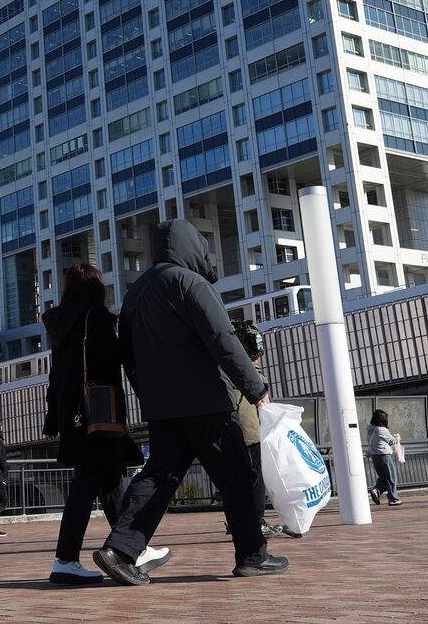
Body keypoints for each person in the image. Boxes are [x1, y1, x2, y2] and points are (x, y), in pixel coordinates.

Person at [92, 219, 289, 586]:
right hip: (205, 402)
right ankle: (252, 555)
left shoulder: (136, 293)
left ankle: (119, 551)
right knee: (237, 477)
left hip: (163, 407)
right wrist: (255, 386)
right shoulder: (191, 283)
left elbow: (128, 356)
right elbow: (223, 339)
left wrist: (148, 394)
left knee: (157, 477)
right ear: (191, 247)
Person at [40, 263, 169, 584]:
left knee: (111, 483)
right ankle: (65, 560)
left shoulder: (61, 323)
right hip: (98, 413)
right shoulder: (93, 317)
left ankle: (130, 548)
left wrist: (53, 419)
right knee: (86, 487)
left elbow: (56, 376)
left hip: (75, 416)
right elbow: (112, 356)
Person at [230, 323, 284, 538]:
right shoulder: (247, 369)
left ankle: (240, 523)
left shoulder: (222, 364)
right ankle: (256, 522)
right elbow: (260, 393)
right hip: (249, 430)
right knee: (255, 479)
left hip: (233, 430)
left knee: (237, 481)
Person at [364, 409, 402, 507]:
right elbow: (392, 441)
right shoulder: (382, 430)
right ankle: (393, 499)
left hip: (374, 456)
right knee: (391, 477)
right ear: (382, 420)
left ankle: (376, 491)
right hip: (384, 456)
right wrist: (397, 438)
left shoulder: (369, 428)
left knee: (383, 478)